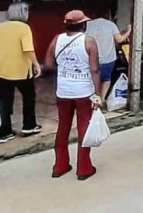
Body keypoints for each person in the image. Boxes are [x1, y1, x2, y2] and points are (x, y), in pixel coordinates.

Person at [44, 10, 102, 181]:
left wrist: (64, 69)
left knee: (63, 127)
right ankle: (84, 168)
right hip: (84, 92)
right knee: (84, 127)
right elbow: (95, 69)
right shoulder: (89, 41)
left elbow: (48, 64)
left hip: (63, 91)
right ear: (82, 24)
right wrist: (97, 94)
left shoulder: (57, 39)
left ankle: (60, 165)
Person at [0, 2, 42, 144]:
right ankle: (29, 125)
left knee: (4, 102)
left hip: (2, 71)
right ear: (23, 12)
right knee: (29, 97)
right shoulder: (24, 28)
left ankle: (4, 132)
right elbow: (28, 49)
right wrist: (36, 64)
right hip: (22, 71)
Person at [85, 10, 132, 100]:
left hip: (92, 59)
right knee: (106, 80)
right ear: (108, 15)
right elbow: (119, 39)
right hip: (108, 59)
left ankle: (92, 99)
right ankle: (101, 100)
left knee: (91, 80)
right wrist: (128, 31)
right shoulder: (111, 25)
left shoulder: (88, 24)